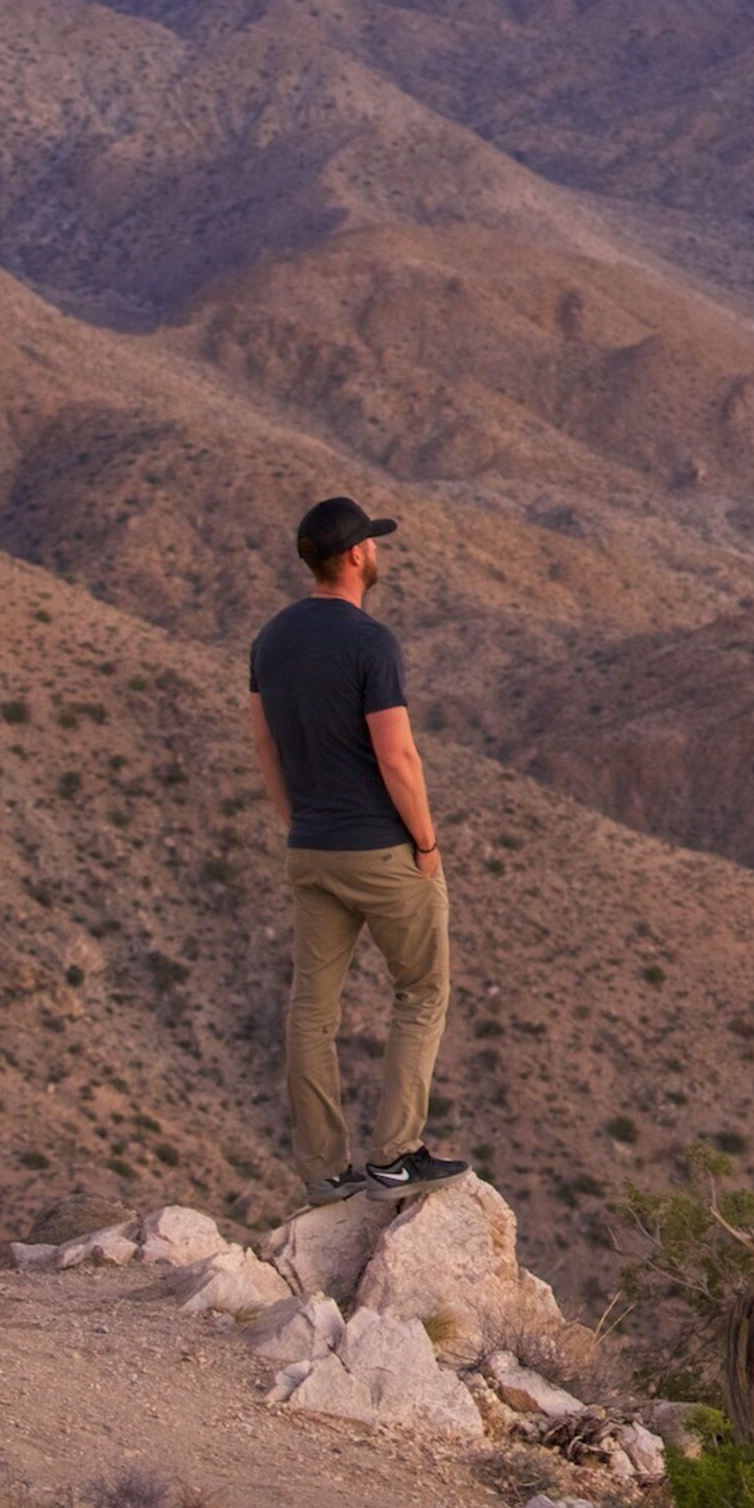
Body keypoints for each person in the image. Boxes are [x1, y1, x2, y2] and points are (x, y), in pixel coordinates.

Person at [247, 496, 473, 1205]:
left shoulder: (270, 640)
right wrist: (427, 842)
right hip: (380, 849)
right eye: (373, 543)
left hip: (310, 848)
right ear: (354, 557)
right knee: (422, 992)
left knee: (311, 1012)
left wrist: (298, 820)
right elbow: (397, 754)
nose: (378, 552)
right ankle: (396, 1157)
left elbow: (264, 745)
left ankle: (323, 1171)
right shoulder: (369, 642)